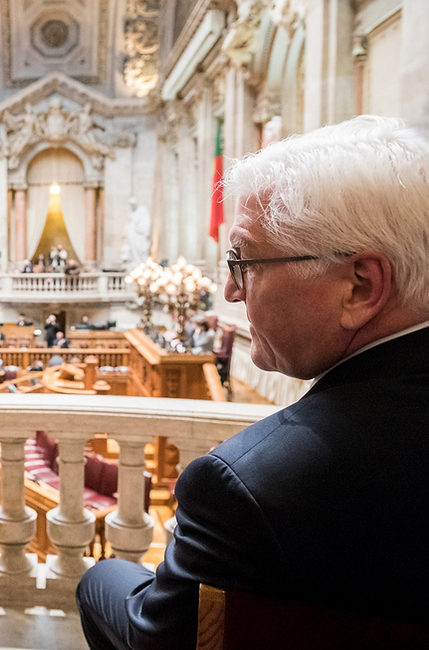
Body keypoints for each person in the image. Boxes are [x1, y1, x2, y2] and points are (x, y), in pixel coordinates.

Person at [77, 116, 429, 649]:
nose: (230, 290)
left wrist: (94, 579)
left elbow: (153, 640)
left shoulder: (244, 488)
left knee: (103, 582)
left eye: (244, 261)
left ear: (360, 286)